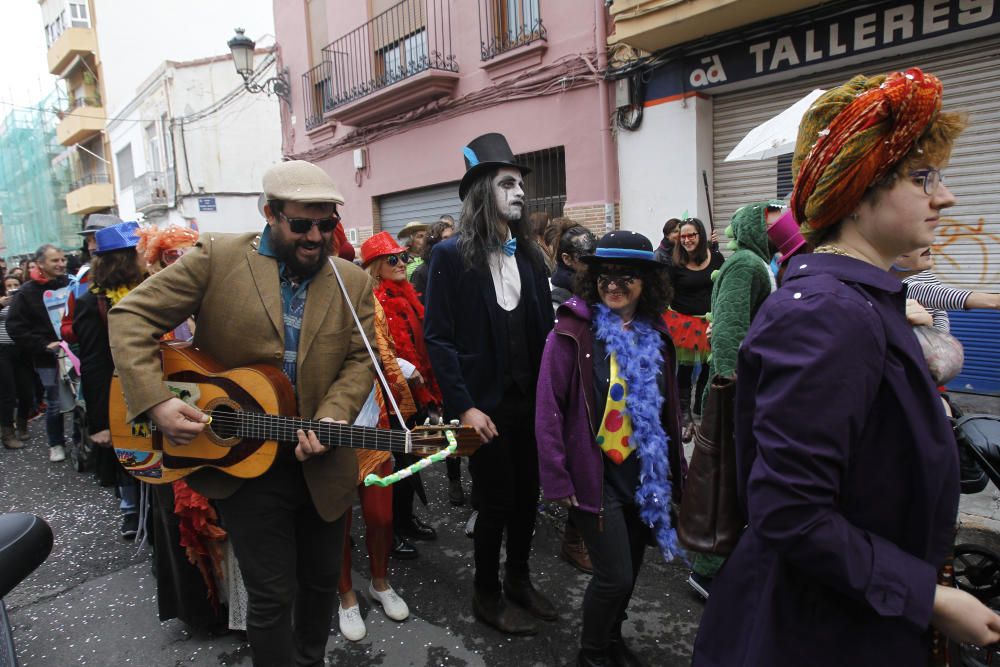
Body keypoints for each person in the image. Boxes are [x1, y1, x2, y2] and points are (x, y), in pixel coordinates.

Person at [693, 68, 1000, 665]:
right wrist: (931, 600)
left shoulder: (858, 301)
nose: (946, 196)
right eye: (921, 178)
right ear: (858, 193)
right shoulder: (829, 315)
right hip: (813, 634)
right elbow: (791, 513)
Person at [109, 160, 376, 666]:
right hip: (243, 469)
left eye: (327, 224)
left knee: (321, 584)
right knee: (272, 595)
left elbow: (362, 357)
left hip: (323, 462)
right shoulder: (217, 257)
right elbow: (131, 317)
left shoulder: (352, 280)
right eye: (301, 224)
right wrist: (157, 400)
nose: (316, 236)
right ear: (270, 214)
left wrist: (336, 413)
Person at [424, 132, 555, 635]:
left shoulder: (530, 256)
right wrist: (465, 407)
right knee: (495, 502)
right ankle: (486, 591)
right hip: (485, 406)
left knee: (529, 497)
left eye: (520, 183)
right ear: (483, 192)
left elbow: (543, 331)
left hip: (529, 403)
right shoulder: (449, 257)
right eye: (507, 183)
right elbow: (439, 338)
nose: (519, 192)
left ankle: (518, 578)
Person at [537, 230, 684, 667]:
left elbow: (667, 403)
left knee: (631, 572)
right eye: (605, 275)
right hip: (593, 472)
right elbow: (548, 410)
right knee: (614, 576)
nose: (614, 284)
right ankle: (593, 654)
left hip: (643, 474)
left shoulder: (656, 330)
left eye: (627, 276)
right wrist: (556, 476)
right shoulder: (572, 331)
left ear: (647, 282)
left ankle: (612, 639)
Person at [686, 200, 783, 599]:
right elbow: (728, 331)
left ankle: (723, 562)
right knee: (726, 483)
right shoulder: (745, 264)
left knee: (737, 481)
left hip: (751, 390)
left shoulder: (761, 264)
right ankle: (708, 571)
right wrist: (731, 390)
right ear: (753, 228)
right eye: (772, 222)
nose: (783, 228)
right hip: (736, 395)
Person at [337, 299, 415, 642]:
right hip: (328, 435)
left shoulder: (364, 300)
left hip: (371, 424)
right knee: (336, 523)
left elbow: (383, 352)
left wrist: (407, 373)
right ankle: (346, 596)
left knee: (381, 516)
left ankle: (380, 582)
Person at [362, 231, 442, 554]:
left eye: (403, 258)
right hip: (390, 398)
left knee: (413, 459)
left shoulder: (407, 294)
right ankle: (391, 529)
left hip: (415, 393)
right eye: (391, 260)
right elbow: (378, 350)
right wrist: (407, 369)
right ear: (375, 267)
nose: (400, 264)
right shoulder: (373, 302)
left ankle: (406, 519)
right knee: (395, 466)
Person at [72, 221, 146, 539]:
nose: (146, 256)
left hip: (152, 386)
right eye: (139, 251)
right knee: (128, 453)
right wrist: (100, 423)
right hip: (118, 393)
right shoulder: (93, 302)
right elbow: (93, 364)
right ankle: (131, 509)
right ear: (123, 259)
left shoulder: (151, 289)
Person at [546, 222, 597, 575]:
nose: (594, 266)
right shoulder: (555, 292)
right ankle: (573, 538)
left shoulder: (591, 288)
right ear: (567, 259)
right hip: (565, 387)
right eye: (585, 259)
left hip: (592, 385)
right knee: (576, 461)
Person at [7, 244, 70, 462]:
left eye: (62, 260)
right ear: (40, 264)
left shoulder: (71, 284)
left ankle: (82, 440)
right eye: (55, 261)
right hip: (46, 357)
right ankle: (55, 443)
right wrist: (43, 345)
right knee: (54, 401)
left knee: (80, 399)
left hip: (75, 353)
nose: (61, 264)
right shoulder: (26, 293)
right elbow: (15, 327)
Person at [665, 219, 724, 437]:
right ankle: (684, 414)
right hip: (684, 324)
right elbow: (665, 290)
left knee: (709, 367)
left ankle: (702, 408)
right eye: (683, 236)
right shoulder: (675, 263)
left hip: (710, 321)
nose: (687, 240)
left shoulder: (715, 257)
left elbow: (723, 283)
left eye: (692, 235)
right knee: (686, 369)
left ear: (701, 236)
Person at [892, 246, 1000, 332]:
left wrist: (936, 336)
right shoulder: (891, 283)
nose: (927, 244)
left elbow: (940, 312)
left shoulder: (927, 276)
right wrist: (993, 300)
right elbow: (925, 292)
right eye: (913, 240)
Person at [0, 275, 33, 449]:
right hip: (2, 350)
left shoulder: (24, 300)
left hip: (22, 349)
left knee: (27, 390)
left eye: (16, 284)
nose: (12, 287)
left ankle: (22, 425)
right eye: (9, 285)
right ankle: (7, 434)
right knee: (8, 393)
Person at [410, 218, 454, 300]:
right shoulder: (421, 272)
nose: (451, 241)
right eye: (445, 238)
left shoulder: (458, 266)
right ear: (434, 242)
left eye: (452, 237)